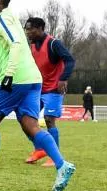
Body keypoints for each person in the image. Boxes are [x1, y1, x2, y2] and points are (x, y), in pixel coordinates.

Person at [0, 0, 75, 191]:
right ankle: (62, 165)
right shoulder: (13, 17)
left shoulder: (1, 20)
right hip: (33, 79)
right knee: (31, 126)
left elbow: (15, 44)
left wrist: (7, 73)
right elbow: (17, 48)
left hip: (15, 79)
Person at [22, 17, 76, 166]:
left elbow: (70, 60)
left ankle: (54, 156)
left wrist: (63, 79)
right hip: (37, 88)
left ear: (40, 29)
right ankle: (39, 149)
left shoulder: (54, 43)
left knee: (49, 119)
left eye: (30, 28)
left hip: (53, 89)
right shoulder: (31, 45)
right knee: (27, 119)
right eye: (26, 29)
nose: (27, 32)